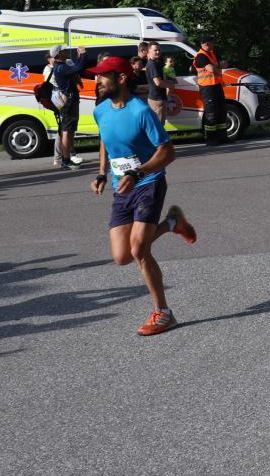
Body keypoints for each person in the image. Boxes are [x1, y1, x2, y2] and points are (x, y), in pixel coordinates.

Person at [88, 55, 197, 336]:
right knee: (122, 256)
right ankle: (172, 223)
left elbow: (168, 151)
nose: (97, 81)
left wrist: (138, 172)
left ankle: (163, 313)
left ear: (122, 78)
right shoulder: (100, 111)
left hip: (149, 182)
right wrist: (101, 173)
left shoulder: (141, 112)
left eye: (103, 76)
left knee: (139, 250)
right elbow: (104, 139)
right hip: (121, 187)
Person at [49, 44, 87, 168]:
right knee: (66, 131)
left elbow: (76, 68)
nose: (66, 51)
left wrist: (79, 57)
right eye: (64, 50)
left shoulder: (62, 66)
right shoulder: (61, 67)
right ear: (58, 54)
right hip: (68, 102)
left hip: (70, 100)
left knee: (69, 130)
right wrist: (83, 54)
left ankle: (68, 158)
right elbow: (79, 67)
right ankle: (65, 161)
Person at [192, 37, 227, 145]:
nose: (213, 45)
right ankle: (211, 139)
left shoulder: (212, 53)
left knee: (221, 110)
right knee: (211, 113)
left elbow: (224, 63)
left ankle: (222, 137)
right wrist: (217, 66)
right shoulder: (200, 56)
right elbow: (211, 69)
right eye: (212, 43)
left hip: (216, 85)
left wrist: (215, 66)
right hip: (207, 87)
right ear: (206, 44)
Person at [142, 41, 174, 123]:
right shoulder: (152, 64)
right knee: (159, 125)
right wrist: (170, 85)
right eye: (155, 50)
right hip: (157, 99)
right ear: (149, 51)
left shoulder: (155, 63)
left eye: (159, 50)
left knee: (158, 124)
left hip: (157, 98)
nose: (158, 52)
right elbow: (158, 83)